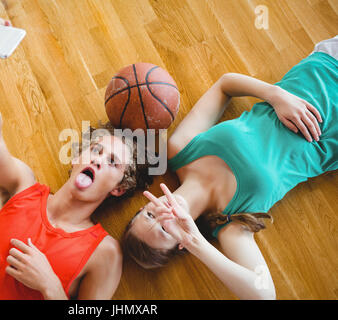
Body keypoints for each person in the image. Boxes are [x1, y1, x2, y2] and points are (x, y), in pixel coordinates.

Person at [0, 12, 151, 300]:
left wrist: (51, 287)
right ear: (75, 159)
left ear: (118, 188)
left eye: (112, 162)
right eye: (95, 150)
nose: (97, 159)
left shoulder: (104, 254)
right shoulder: (22, 186)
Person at [122, 36, 338, 300]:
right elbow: (264, 294)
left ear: (146, 205)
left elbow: (225, 84)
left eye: (149, 216)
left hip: (322, 69)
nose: (163, 216)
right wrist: (197, 243)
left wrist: (276, 95)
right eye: (165, 230)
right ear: (181, 244)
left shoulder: (180, 150)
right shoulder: (231, 223)